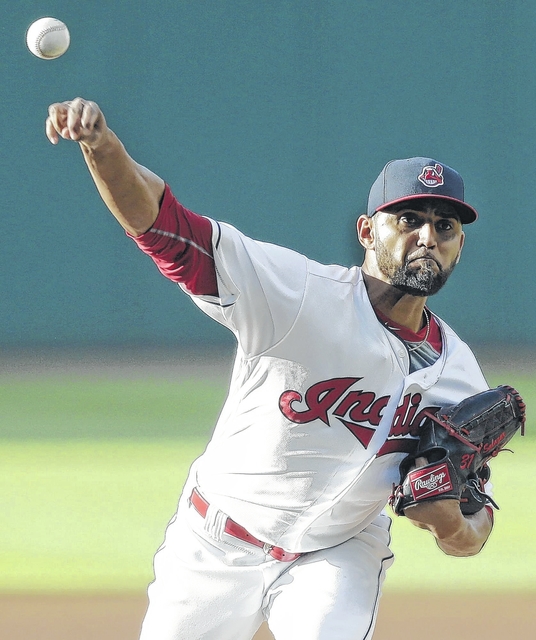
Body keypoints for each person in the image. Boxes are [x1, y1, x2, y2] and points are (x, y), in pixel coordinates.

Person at [46, 98, 494, 640]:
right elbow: (164, 229)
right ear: (366, 232)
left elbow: (473, 523)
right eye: (408, 219)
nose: (427, 237)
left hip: (336, 554)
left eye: (444, 226)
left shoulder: (461, 375)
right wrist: (103, 148)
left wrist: (454, 526)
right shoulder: (297, 293)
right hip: (216, 542)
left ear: (459, 245)